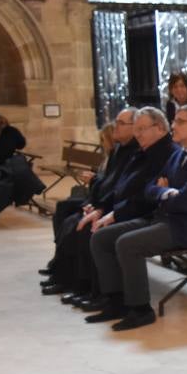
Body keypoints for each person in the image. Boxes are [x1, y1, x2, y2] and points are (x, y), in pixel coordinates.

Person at [84, 105, 187, 331]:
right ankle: (115, 300)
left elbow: (186, 202)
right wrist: (166, 192)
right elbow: (150, 188)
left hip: (186, 228)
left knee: (128, 243)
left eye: (180, 121)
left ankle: (140, 309)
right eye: (175, 120)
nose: (173, 125)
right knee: (101, 238)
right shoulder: (179, 154)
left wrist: (164, 193)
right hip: (163, 218)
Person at [40, 109, 137, 296]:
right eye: (116, 121)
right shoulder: (119, 150)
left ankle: (81, 284)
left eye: (121, 123)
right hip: (103, 202)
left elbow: (119, 187)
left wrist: (98, 204)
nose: (116, 125)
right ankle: (64, 274)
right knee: (68, 218)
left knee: (80, 227)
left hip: (116, 208)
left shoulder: (133, 152)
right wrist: (94, 203)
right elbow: (110, 182)